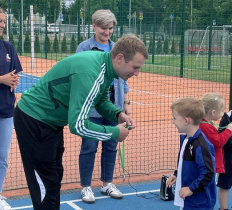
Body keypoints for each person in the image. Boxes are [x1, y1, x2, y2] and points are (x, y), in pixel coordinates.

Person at [13, 34, 148, 210]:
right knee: (45, 183)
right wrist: (115, 133)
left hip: (51, 122)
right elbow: (78, 125)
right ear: (120, 58)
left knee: (54, 177)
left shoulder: (105, 67)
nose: (137, 73)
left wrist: (117, 115)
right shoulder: (91, 72)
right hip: (34, 119)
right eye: (135, 67)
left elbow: (100, 100)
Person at [76, 10, 129, 203]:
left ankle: (107, 183)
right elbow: (79, 75)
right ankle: (86, 187)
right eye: (103, 28)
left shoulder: (117, 48)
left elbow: (123, 76)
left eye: (110, 28)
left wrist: (125, 103)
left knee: (111, 145)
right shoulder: (84, 48)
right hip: (91, 108)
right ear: (94, 26)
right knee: (89, 146)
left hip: (114, 108)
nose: (107, 32)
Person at [166, 97, 216, 210]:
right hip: (188, 202)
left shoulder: (201, 145)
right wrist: (177, 175)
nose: (172, 121)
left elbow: (208, 173)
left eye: (174, 118)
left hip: (199, 203)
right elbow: (185, 165)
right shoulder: (187, 140)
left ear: (186, 121)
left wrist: (191, 189)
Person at [0, 8, 22, 210]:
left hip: (6, 112)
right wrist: (1, 79)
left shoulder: (8, 47)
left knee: (2, 158)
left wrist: (14, 80)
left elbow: (16, 74)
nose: (2, 24)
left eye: (4, 21)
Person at [200, 93, 232, 174]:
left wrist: (227, 135)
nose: (222, 113)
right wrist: (228, 130)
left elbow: (213, 139)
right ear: (213, 112)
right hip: (209, 164)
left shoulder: (205, 124)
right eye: (221, 111)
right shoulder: (205, 126)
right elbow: (218, 142)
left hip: (208, 162)